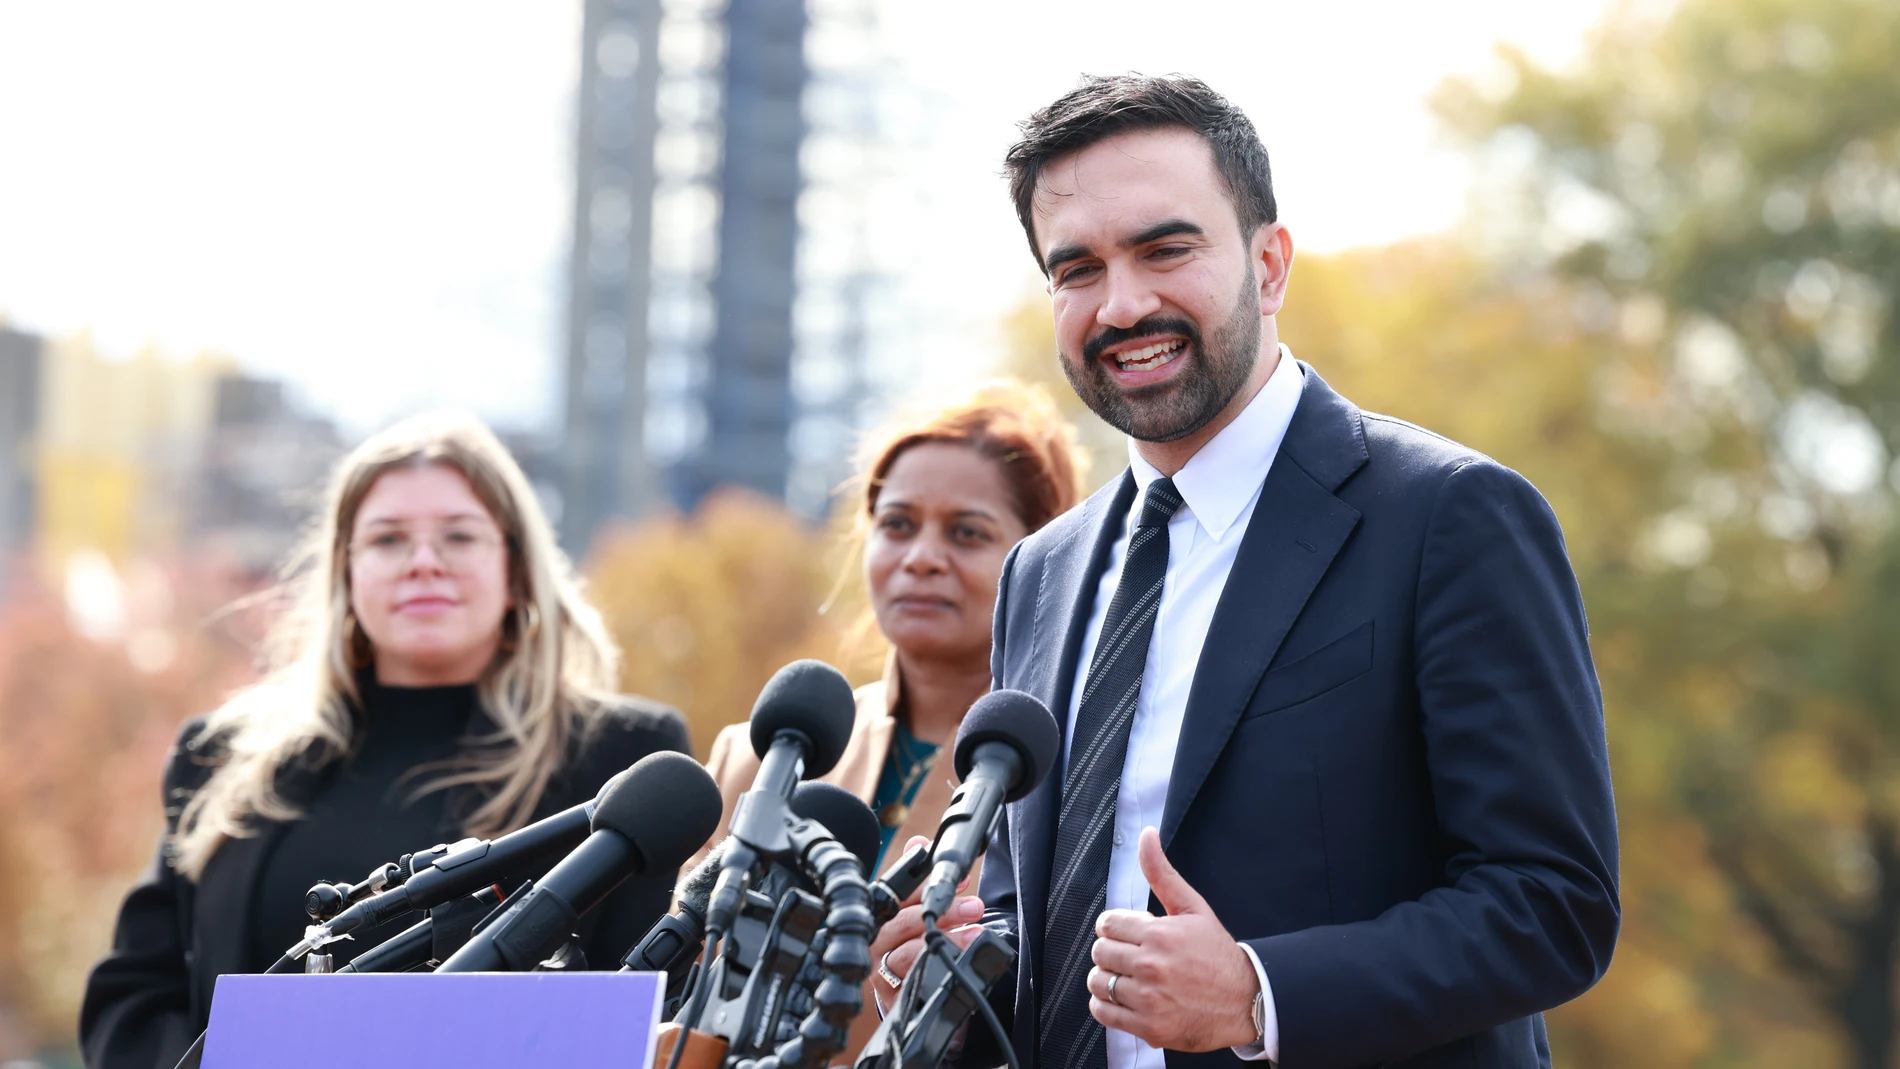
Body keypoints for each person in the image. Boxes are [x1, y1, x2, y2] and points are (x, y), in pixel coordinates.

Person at [873, 75, 1619, 1069]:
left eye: (1165, 249)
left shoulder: (1450, 518)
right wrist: (960, 966)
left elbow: (1551, 903)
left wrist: (1261, 995)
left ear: (1269, 266)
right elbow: (1026, 913)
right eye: (1077, 269)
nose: (1122, 303)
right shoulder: (1039, 573)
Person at [80, 412, 692, 1069]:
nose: (423, 562)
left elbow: (652, 1008)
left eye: (459, 536)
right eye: (388, 538)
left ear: (515, 568)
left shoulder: (624, 755)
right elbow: (131, 1002)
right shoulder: (222, 755)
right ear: (345, 572)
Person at [698, 380, 1086, 1056]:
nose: (922, 557)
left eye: (967, 532)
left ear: (1042, 560)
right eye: (897, 524)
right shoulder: (764, 753)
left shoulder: (1080, 769)